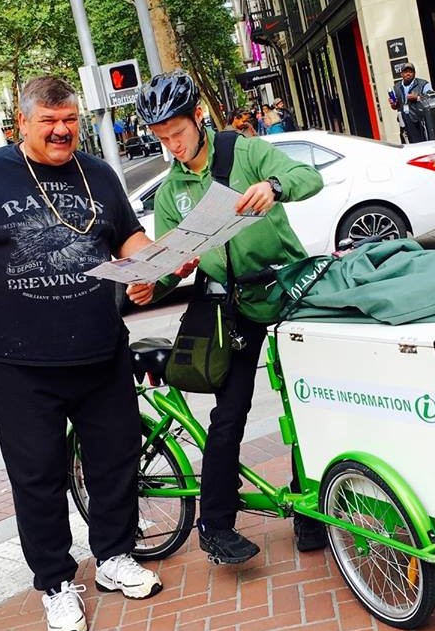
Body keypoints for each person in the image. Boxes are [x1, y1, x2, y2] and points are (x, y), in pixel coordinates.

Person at [0, 76, 188, 631]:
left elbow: (128, 241)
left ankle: (115, 557)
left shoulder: (97, 174)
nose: (61, 130)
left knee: (115, 462)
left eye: (69, 118)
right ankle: (55, 584)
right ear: (21, 123)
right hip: (19, 365)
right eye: (48, 121)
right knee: (38, 478)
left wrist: (158, 266)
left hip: (100, 352)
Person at [130, 70, 327, 565]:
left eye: (176, 132)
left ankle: (313, 510)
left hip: (284, 289)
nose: (172, 146)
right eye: (161, 139)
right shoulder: (171, 191)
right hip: (227, 308)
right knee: (229, 414)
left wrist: (274, 186)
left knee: (308, 402)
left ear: (198, 117)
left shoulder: (244, 151)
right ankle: (215, 527)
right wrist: (157, 279)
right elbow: (170, 264)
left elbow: (311, 177)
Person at [389, 62, 433, 143]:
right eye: (405, 72)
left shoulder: (423, 84)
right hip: (404, 122)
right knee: (408, 144)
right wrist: (393, 104)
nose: (408, 74)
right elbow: (395, 106)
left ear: (414, 73)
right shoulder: (396, 87)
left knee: (423, 143)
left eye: (410, 71)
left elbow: (431, 98)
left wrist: (417, 97)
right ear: (401, 74)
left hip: (420, 120)